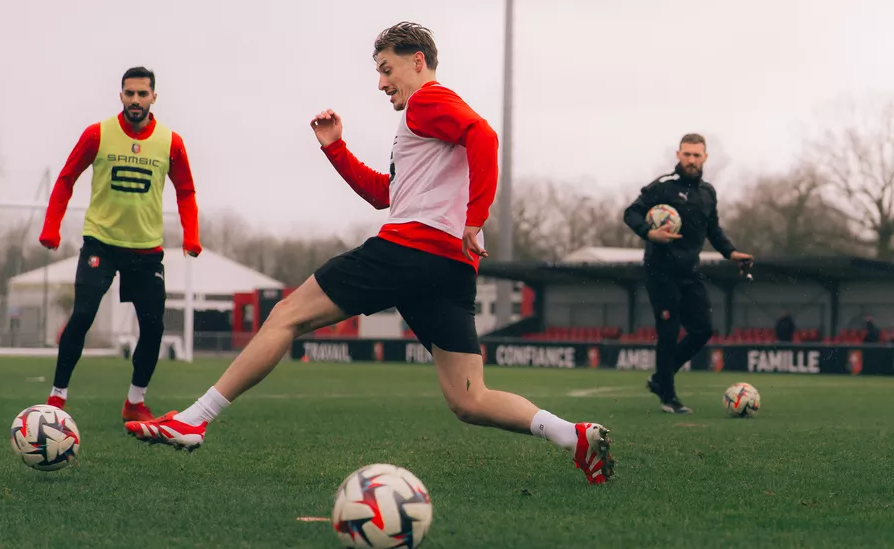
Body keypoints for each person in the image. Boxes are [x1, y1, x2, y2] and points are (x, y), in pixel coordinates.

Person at [124, 22, 614, 485]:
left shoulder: (428, 101)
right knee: (470, 399)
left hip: (408, 250)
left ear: (417, 61)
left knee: (286, 315)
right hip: (450, 268)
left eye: (386, 68)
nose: (380, 82)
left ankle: (195, 419)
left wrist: (476, 217)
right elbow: (386, 194)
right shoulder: (426, 121)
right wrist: (336, 149)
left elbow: (484, 136)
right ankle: (571, 436)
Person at [39, 66, 202, 422]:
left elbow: (186, 191)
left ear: (154, 97)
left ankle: (135, 402)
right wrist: (52, 227)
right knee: (83, 314)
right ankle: (57, 398)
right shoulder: (97, 134)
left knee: (154, 326)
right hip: (101, 243)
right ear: (121, 96)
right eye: (129, 93)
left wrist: (191, 235)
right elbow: (66, 179)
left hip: (145, 250)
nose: (135, 100)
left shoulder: (170, 142)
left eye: (142, 94)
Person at [623, 133, 753, 414]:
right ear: (678, 155)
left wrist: (731, 253)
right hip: (660, 271)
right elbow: (631, 213)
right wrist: (649, 233)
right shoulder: (662, 187)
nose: (691, 160)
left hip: (689, 272)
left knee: (702, 330)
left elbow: (713, 230)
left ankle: (660, 378)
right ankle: (668, 396)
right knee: (668, 333)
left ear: (705, 157)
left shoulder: (708, 192)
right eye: (687, 154)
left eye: (697, 155)